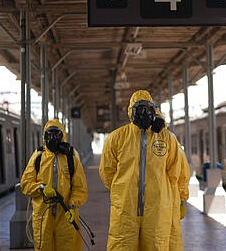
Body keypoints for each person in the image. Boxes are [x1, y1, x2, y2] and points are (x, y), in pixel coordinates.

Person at [99, 90, 181, 250]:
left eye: (148, 109)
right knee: (122, 246)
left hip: (156, 211)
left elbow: (174, 173)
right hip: (125, 210)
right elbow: (106, 172)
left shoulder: (166, 138)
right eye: (139, 109)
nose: (144, 113)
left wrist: (169, 199)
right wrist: (122, 191)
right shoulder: (117, 138)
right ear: (131, 111)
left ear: (154, 111)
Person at [20, 119, 88, 251]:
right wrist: (41, 188)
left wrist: (73, 206)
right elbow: (25, 184)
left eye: (56, 135)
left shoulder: (71, 158)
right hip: (42, 217)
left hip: (65, 215)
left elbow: (80, 188)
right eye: (49, 135)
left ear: (63, 136)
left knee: (67, 247)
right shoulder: (38, 158)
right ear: (44, 138)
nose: (53, 139)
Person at [169, 142, 190, 251]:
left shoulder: (144, 145)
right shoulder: (176, 146)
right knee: (173, 235)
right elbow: (184, 177)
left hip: (151, 203)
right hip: (173, 200)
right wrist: (183, 200)